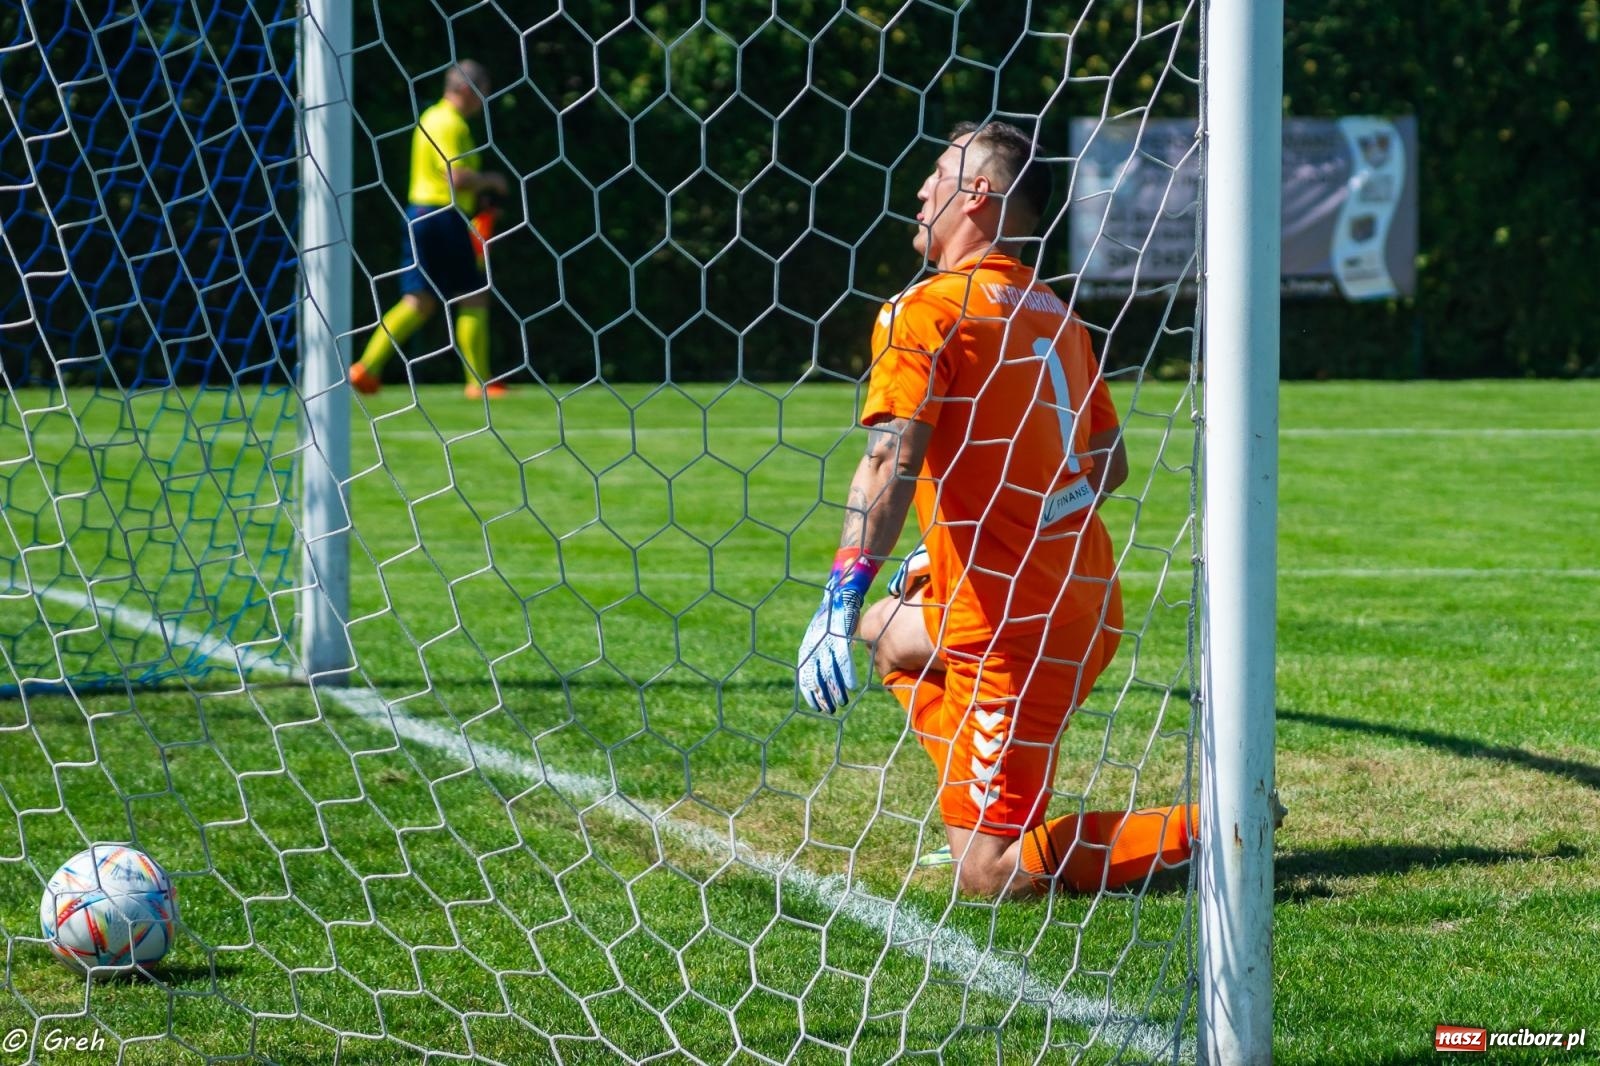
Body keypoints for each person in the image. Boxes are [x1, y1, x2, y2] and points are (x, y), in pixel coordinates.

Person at [796, 121, 1197, 899]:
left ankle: (1215, 825)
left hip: (1011, 633)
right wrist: (989, 528)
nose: (919, 192)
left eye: (936, 174)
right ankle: (973, 801)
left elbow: (890, 460)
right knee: (891, 636)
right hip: (1082, 602)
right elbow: (1107, 465)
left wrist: (838, 597)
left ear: (977, 195)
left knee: (990, 876)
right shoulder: (1057, 314)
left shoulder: (926, 311)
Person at [349, 60, 510, 400]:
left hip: (420, 214)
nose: (484, 102)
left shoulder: (432, 118)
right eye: (482, 94)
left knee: (419, 301)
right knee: (473, 295)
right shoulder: (448, 123)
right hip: (442, 214)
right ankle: (478, 382)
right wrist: (491, 180)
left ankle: (366, 368)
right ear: (467, 89)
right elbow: (455, 176)